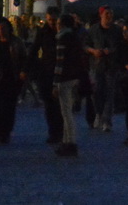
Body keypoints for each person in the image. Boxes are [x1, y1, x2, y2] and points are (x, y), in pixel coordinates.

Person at [52, 13, 88, 157]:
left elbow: (59, 62)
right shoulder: (74, 38)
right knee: (69, 111)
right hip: (74, 77)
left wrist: (55, 82)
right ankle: (67, 141)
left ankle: (70, 142)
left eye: (58, 23)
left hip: (64, 78)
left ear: (62, 25)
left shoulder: (62, 38)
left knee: (66, 113)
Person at [29, 7, 63, 145]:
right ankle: (53, 132)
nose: (51, 22)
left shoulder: (64, 32)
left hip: (61, 71)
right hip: (47, 70)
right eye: (49, 20)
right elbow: (34, 49)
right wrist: (28, 68)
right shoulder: (43, 32)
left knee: (59, 105)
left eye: (53, 20)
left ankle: (60, 132)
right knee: (49, 105)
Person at [85, 4, 121, 133]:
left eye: (111, 14)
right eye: (107, 14)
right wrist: (93, 51)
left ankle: (107, 121)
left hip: (111, 66)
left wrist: (110, 50)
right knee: (96, 92)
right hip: (96, 65)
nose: (109, 16)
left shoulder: (117, 31)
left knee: (109, 93)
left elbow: (121, 46)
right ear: (101, 15)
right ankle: (98, 113)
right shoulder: (93, 30)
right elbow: (85, 45)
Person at [0, 17, 23, 144]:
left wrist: (22, 72)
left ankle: (5, 131)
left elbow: (23, 58)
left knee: (9, 107)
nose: (1, 31)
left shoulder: (16, 42)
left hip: (11, 77)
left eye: (3, 28)